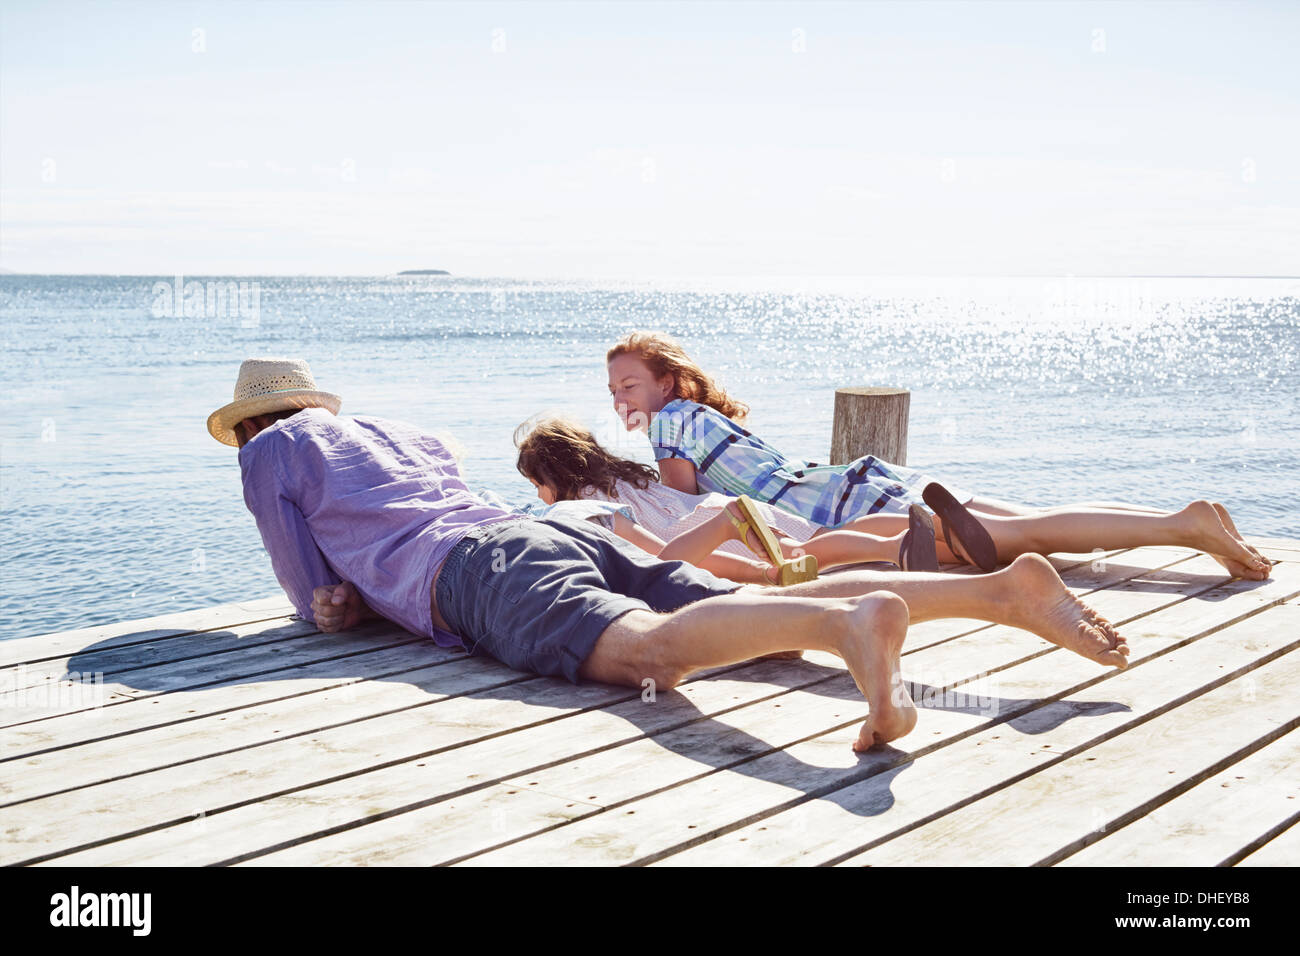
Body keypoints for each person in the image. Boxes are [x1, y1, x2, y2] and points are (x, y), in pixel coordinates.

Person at [210, 357, 1129, 752]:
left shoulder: (268, 450)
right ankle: (1000, 593)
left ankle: (850, 621)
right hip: (566, 534)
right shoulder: (404, 432)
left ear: (255, 422)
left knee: (650, 653)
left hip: (481, 574)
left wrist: (335, 607)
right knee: (738, 617)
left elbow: (307, 589)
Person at [604, 330, 1274, 581]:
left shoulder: (671, 425)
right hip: (862, 479)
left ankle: (1182, 528)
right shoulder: (707, 415)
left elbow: (694, 505)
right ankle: (1181, 522)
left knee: (1027, 536)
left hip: (844, 504)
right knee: (1033, 526)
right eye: (614, 389)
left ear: (667, 382)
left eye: (630, 384)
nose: (621, 397)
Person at [515, 414, 944, 580]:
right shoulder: (624, 475)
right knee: (815, 540)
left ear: (556, 474)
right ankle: (908, 537)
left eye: (538, 484)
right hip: (721, 508)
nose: (539, 495)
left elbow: (658, 548)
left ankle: (899, 547)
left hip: (705, 531)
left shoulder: (587, 502)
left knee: (802, 551)